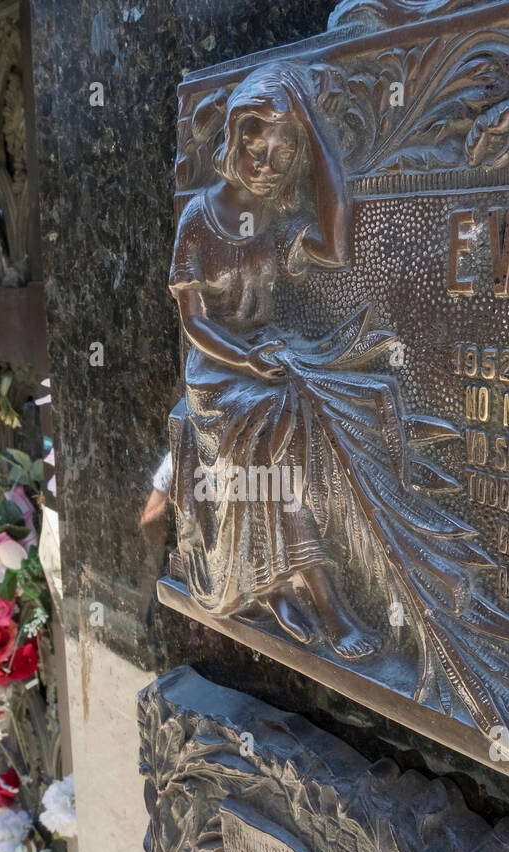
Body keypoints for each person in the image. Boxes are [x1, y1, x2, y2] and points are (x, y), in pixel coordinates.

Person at [168, 61, 379, 660]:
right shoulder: (198, 219)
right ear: (234, 141)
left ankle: (276, 583)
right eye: (256, 150)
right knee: (273, 425)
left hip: (268, 358)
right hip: (218, 371)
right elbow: (193, 322)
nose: (266, 166)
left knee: (307, 420)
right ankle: (324, 600)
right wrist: (245, 358)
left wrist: (312, 129)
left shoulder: (277, 221)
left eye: (283, 157)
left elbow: (335, 246)